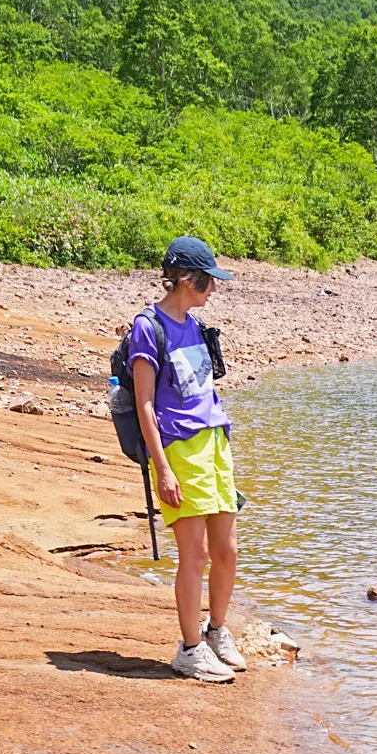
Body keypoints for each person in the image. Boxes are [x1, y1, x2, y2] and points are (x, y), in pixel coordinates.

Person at [129, 234, 245, 683]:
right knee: (194, 555)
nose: (212, 290)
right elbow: (144, 405)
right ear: (185, 279)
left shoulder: (195, 326)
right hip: (178, 448)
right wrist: (162, 467)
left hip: (215, 444)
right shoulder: (147, 327)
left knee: (226, 551)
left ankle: (216, 631)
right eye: (207, 282)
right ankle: (190, 649)